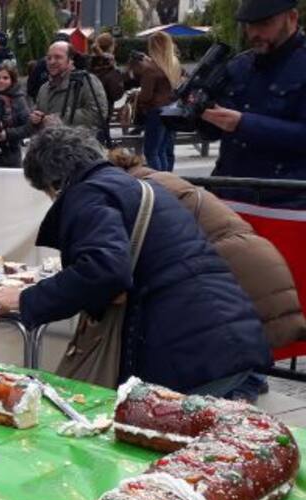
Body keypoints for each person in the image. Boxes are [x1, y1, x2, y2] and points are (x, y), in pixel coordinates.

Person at [0, 127, 269, 397]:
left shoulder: (89, 194)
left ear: (55, 182)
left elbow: (105, 270)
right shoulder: (127, 184)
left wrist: (28, 299)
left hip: (195, 357)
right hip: (223, 340)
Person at [107, 147, 306, 354]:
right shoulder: (157, 180)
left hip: (238, 279)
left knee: (240, 356)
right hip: (255, 269)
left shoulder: (137, 191)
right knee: (249, 351)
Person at [196, 0, 306, 208]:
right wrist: (198, 112)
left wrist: (243, 124)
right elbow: (212, 132)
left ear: (292, 18)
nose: (254, 33)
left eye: (264, 24)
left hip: (287, 203)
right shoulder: (240, 65)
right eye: (248, 25)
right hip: (228, 195)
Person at [31, 41, 110, 141]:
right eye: (49, 58)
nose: (52, 62)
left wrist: (61, 119)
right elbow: (39, 118)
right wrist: (36, 119)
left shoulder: (86, 82)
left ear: (71, 60)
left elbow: (98, 113)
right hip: (49, 150)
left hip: (80, 149)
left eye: (58, 57)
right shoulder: (43, 89)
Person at [131, 32, 182, 171]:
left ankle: (160, 182)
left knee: (152, 151)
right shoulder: (174, 64)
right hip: (172, 110)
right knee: (165, 150)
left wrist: (135, 95)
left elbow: (146, 96)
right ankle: (169, 180)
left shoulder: (150, 69)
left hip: (156, 111)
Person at [0, 63, 32, 168]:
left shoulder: (19, 100)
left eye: (5, 78)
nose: (1, 81)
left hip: (10, 156)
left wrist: (7, 134)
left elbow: (28, 127)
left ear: (12, 80)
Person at [88, 33, 125, 113]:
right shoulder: (109, 66)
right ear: (111, 47)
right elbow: (115, 93)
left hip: (88, 108)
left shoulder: (90, 63)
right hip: (104, 109)